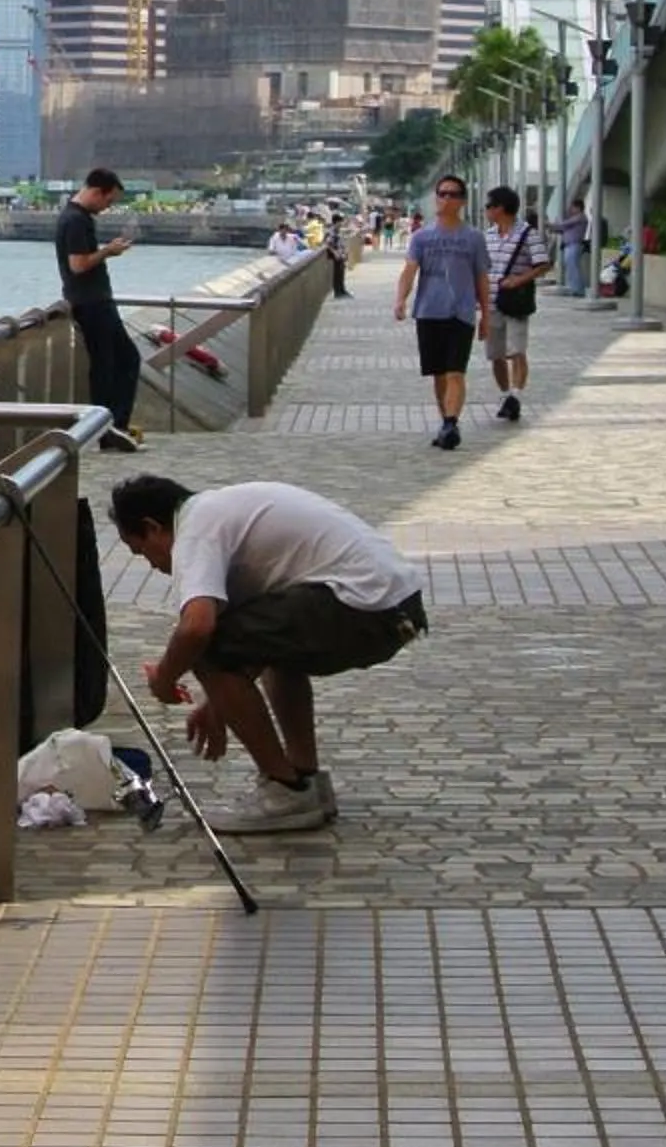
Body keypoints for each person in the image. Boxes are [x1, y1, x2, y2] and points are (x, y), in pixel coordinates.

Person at [110, 474, 429, 834]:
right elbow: (256, 643)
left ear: (153, 527)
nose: (151, 565)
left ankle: (284, 791)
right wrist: (217, 703)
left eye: (141, 551)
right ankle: (304, 780)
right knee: (266, 649)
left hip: (365, 606)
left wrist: (165, 679)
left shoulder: (195, 531)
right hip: (396, 605)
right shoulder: (221, 511)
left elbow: (197, 628)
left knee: (208, 650)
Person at [393, 174, 491, 451]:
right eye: (442, 193)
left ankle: (450, 422)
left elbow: (482, 278)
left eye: (453, 194)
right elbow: (409, 271)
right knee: (438, 374)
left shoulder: (473, 238)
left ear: (462, 201)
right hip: (428, 311)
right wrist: (400, 300)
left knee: (455, 372)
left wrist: (487, 314)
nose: (446, 199)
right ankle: (446, 423)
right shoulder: (421, 237)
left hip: (461, 313)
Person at [55, 168, 143, 452]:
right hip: (91, 302)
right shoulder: (77, 221)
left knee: (113, 363)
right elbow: (78, 265)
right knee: (117, 363)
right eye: (109, 201)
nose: (108, 207)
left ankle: (111, 426)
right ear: (97, 192)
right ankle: (110, 427)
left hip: (90, 300)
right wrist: (108, 251)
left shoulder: (75, 218)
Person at [482, 186, 549, 423]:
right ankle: (505, 395)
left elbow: (542, 264)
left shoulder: (528, 234)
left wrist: (518, 280)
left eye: (489, 206)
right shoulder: (488, 236)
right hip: (490, 303)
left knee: (517, 350)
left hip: (515, 301)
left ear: (501, 208)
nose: (486, 210)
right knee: (496, 354)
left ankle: (516, 395)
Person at [556, 199, 592, 297]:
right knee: (571, 268)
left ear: (578, 208)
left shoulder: (580, 217)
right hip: (570, 245)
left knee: (573, 268)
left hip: (574, 245)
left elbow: (562, 224)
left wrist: (556, 221)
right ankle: (575, 288)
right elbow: (561, 228)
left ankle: (578, 290)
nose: (570, 209)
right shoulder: (575, 218)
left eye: (572, 207)